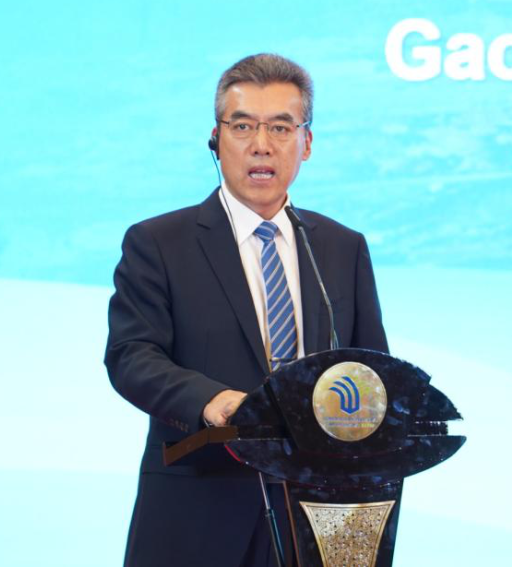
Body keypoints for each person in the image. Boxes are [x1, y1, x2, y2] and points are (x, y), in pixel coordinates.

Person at [104, 53, 388, 566]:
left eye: (280, 127)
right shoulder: (160, 243)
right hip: (198, 515)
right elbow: (131, 356)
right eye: (242, 126)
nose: (261, 144)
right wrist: (211, 400)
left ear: (307, 143)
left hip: (318, 519)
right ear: (215, 140)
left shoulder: (341, 248)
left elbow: (371, 373)